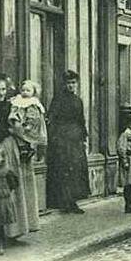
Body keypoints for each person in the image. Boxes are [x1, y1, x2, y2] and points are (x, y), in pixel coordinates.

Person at [0, 70, 40, 238]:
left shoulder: (12, 105)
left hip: (14, 149)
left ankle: (14, 230)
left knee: (15, 188)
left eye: (3, 89)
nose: (1, 93)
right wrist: (9, 129)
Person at [47, 70, 91, 213]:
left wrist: (83, 136)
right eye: (68, 83)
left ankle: (73, 201)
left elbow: (81, 119)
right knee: (64, 169)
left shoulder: (78, 100)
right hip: (62, 138)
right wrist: (54, 137)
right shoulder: (58, 99)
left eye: (73, 83)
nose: (71, 86)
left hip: (75, 138)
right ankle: (64, 201)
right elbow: (51, 118)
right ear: (64, 84)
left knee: (76, 170)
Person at [10, 80, 47, 161]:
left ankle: (28, 149)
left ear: (34, 92)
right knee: (19, 136)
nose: (25, 92)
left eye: (28, 90)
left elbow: (33, 115)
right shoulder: (18, 99)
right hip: (18, 119)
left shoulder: (32, 102)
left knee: (26, 136)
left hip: (27, 123)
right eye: (23, 90)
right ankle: (23, 149)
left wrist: (29, 124)